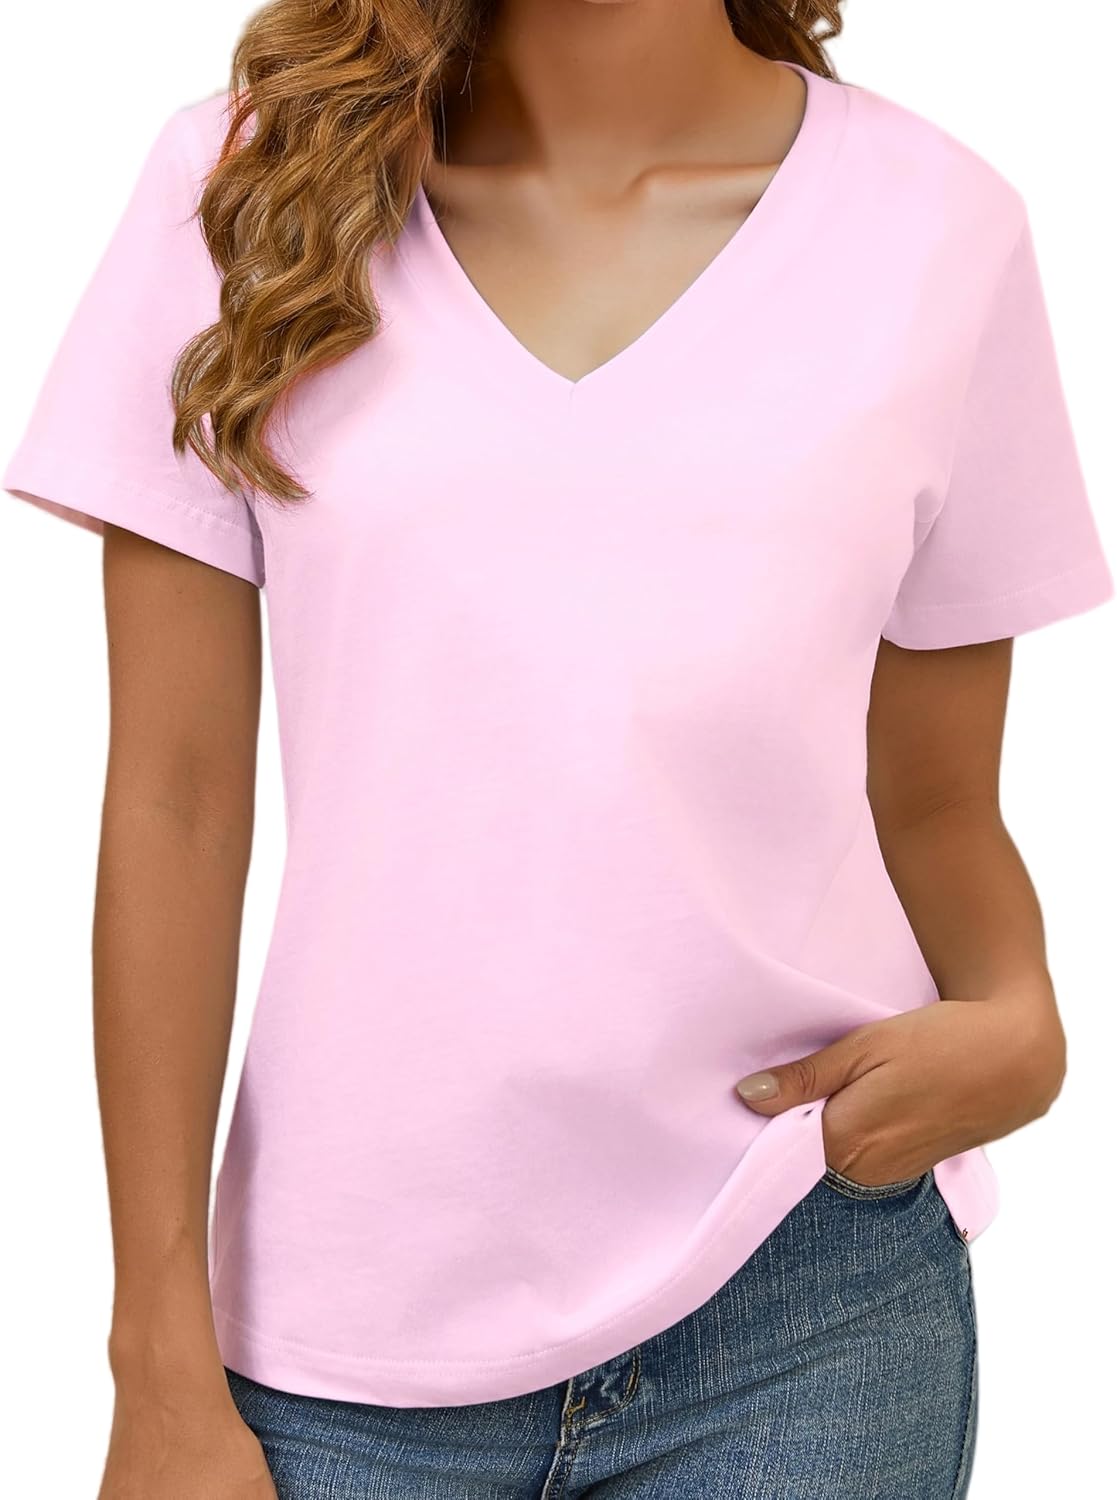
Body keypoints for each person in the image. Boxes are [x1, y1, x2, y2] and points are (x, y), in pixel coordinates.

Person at [4, 1, 1113, 1496]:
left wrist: (1023, 1016)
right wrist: (155, 1355)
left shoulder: (937, 228)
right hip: (340, 1340)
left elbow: (935, 801)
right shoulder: (246, 189)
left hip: (806, 1295)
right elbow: (173, 802)